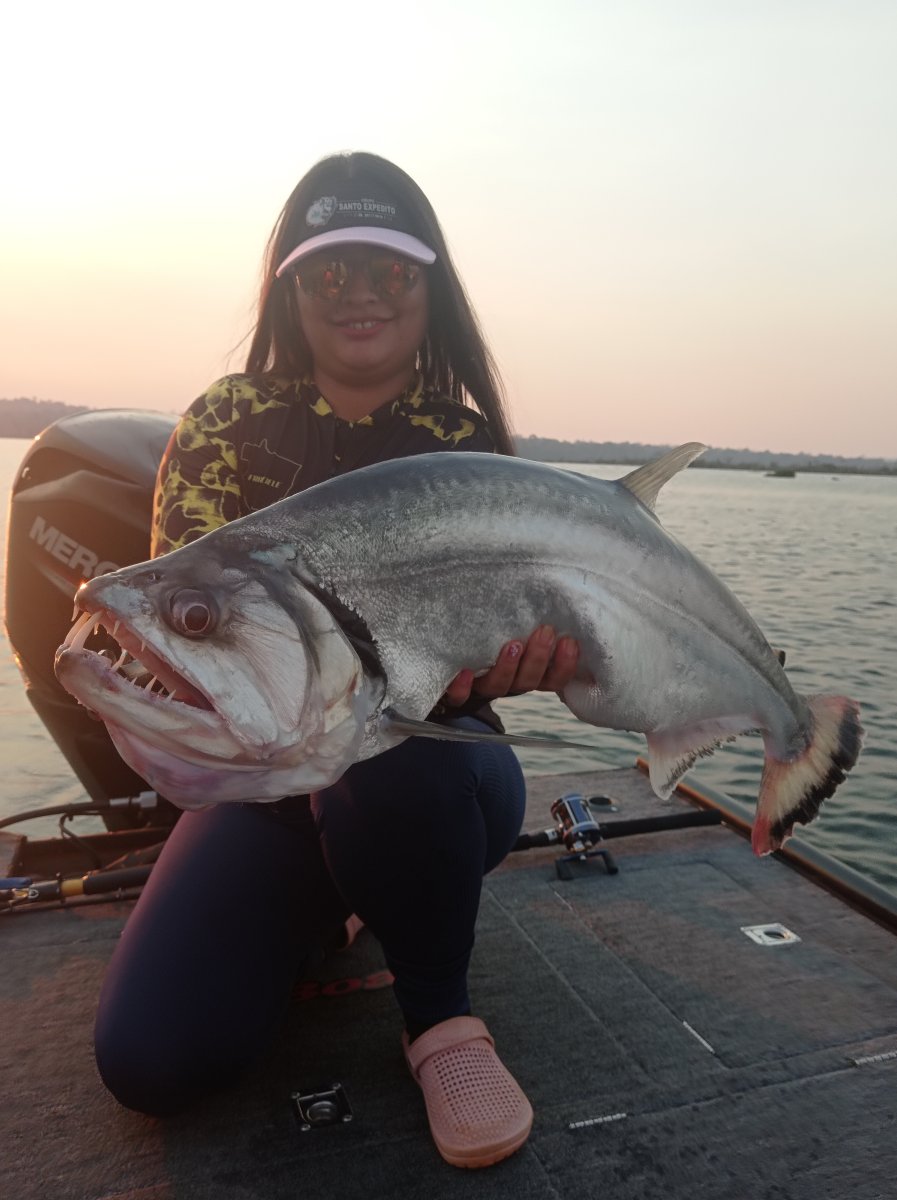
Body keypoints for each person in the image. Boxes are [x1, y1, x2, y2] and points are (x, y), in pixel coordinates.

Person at [93, 151, 580, 1170]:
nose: (359, 292)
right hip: (263, 783)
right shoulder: (225, 423)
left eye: (389, 269)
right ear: (292, 290)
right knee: (151, 1060)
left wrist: (521, 663)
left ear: (429, 286)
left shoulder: (461, 438)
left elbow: (500, 632)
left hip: (438, 766)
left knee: (387, 755)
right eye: (328, 272)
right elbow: (191, 637)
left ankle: (439, 1020)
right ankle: (335, 894)